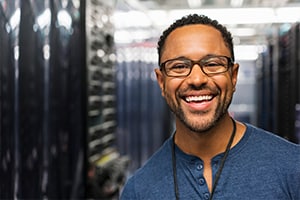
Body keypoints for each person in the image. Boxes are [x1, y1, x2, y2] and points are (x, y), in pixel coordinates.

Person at [120, 14, 300, 200]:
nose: (197, 79)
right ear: (161, 82)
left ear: (233, 76)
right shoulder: (138, 190)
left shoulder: (293, 168)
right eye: (179, 66)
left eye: (213, 64)